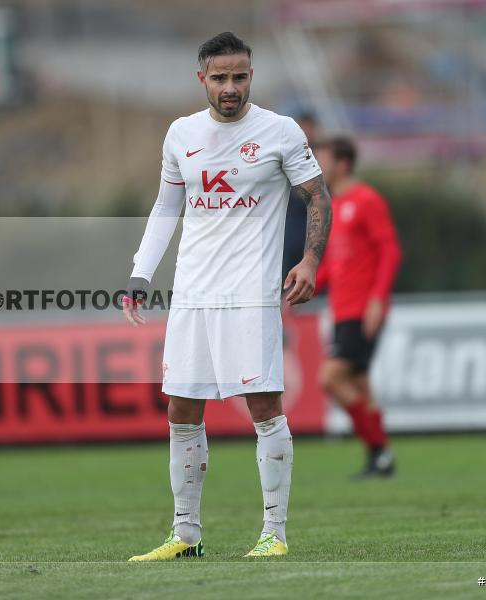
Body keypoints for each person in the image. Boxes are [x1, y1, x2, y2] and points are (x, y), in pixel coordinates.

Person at [122, 32, 331, 560]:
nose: (230, 87)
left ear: (251, 77)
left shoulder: (280, 131)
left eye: (239, 77)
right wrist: (140, 274)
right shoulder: (181, 134)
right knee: (181, 410)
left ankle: (274, 535)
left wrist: (309, 261)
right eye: (220, 78)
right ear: (202, 80)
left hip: (250, 293)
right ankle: (185, 536)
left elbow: (317, 196)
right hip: (193, 293)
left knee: (263, 406)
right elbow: (166, 208)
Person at [313, 136, 402, 478]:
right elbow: (336, 265)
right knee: (362, 387)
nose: (317, 166)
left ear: (343, 164)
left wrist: (378, 299)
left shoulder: (366, 200)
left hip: (362, 310)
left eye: (322, 159)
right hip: (343, 310)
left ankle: (379, 450)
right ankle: (380, 459)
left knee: (330, 378)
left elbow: (390, 251)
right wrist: (305, 288)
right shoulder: (334, 204)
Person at [281, 112, 320, 282]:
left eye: (309, 128)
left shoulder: (323, 154)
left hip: (314, 216)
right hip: (292, 220)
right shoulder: (285, 153)